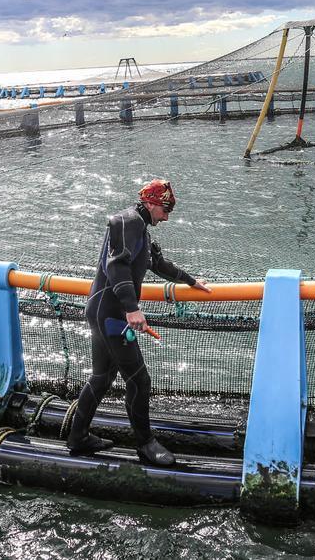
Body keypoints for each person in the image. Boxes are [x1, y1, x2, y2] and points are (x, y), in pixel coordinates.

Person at [66, 178, 212, 466]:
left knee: (102, 377)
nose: (167, 216)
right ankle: (145, 445)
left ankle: (78, 437)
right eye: (165, 208)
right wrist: (132, 309)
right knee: (139, 381)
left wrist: (192, 281)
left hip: (105, 312)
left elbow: (157, 264)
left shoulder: (140, 230)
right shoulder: (128, 222)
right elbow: (116, 265)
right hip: (111, 314)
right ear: (150, 202)